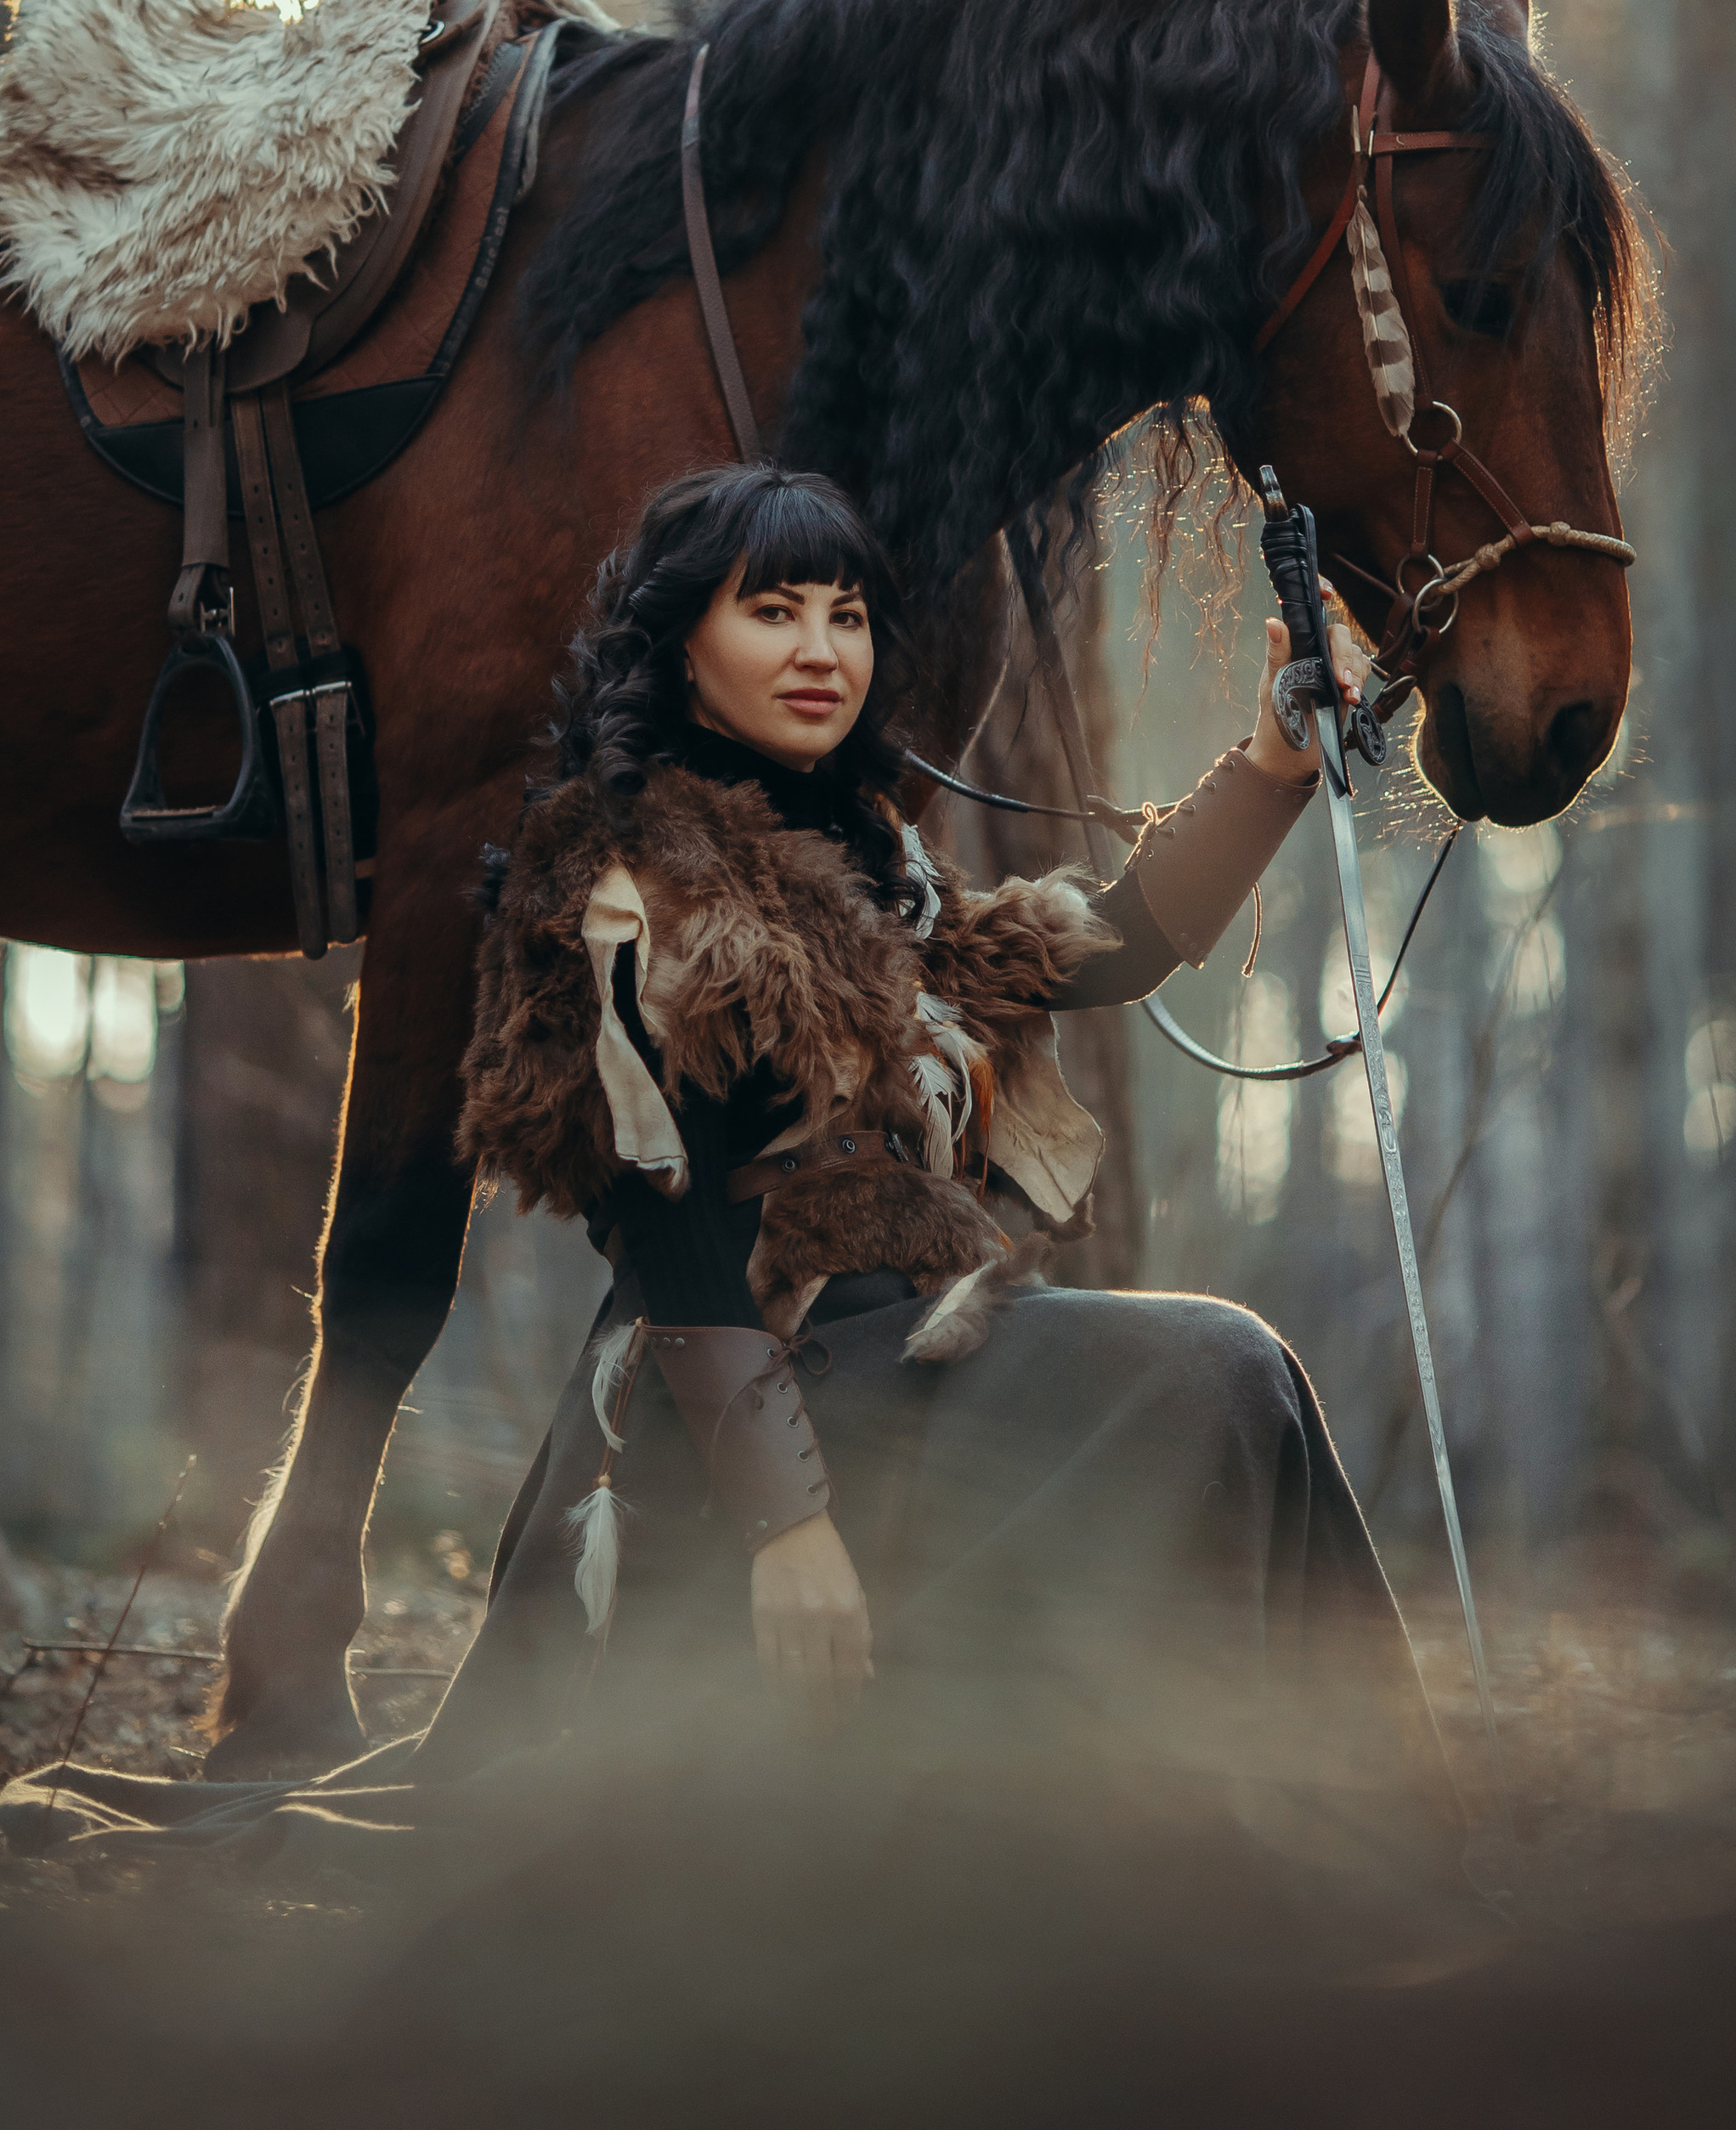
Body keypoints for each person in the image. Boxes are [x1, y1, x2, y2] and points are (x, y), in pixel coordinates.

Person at [420, 461, 1442, 1798]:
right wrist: (788, 1530)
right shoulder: (618, 869)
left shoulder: (872, 869)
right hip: (737, 1402)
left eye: (846, 617)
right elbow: (666, 1224)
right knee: (1215, 1362)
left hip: (915, 1360)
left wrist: (1268, 765)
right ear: (682, 643)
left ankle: (1364, 1832)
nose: (819, 650)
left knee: (1248, 1380)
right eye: (772, 611)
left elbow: (1105, 950)